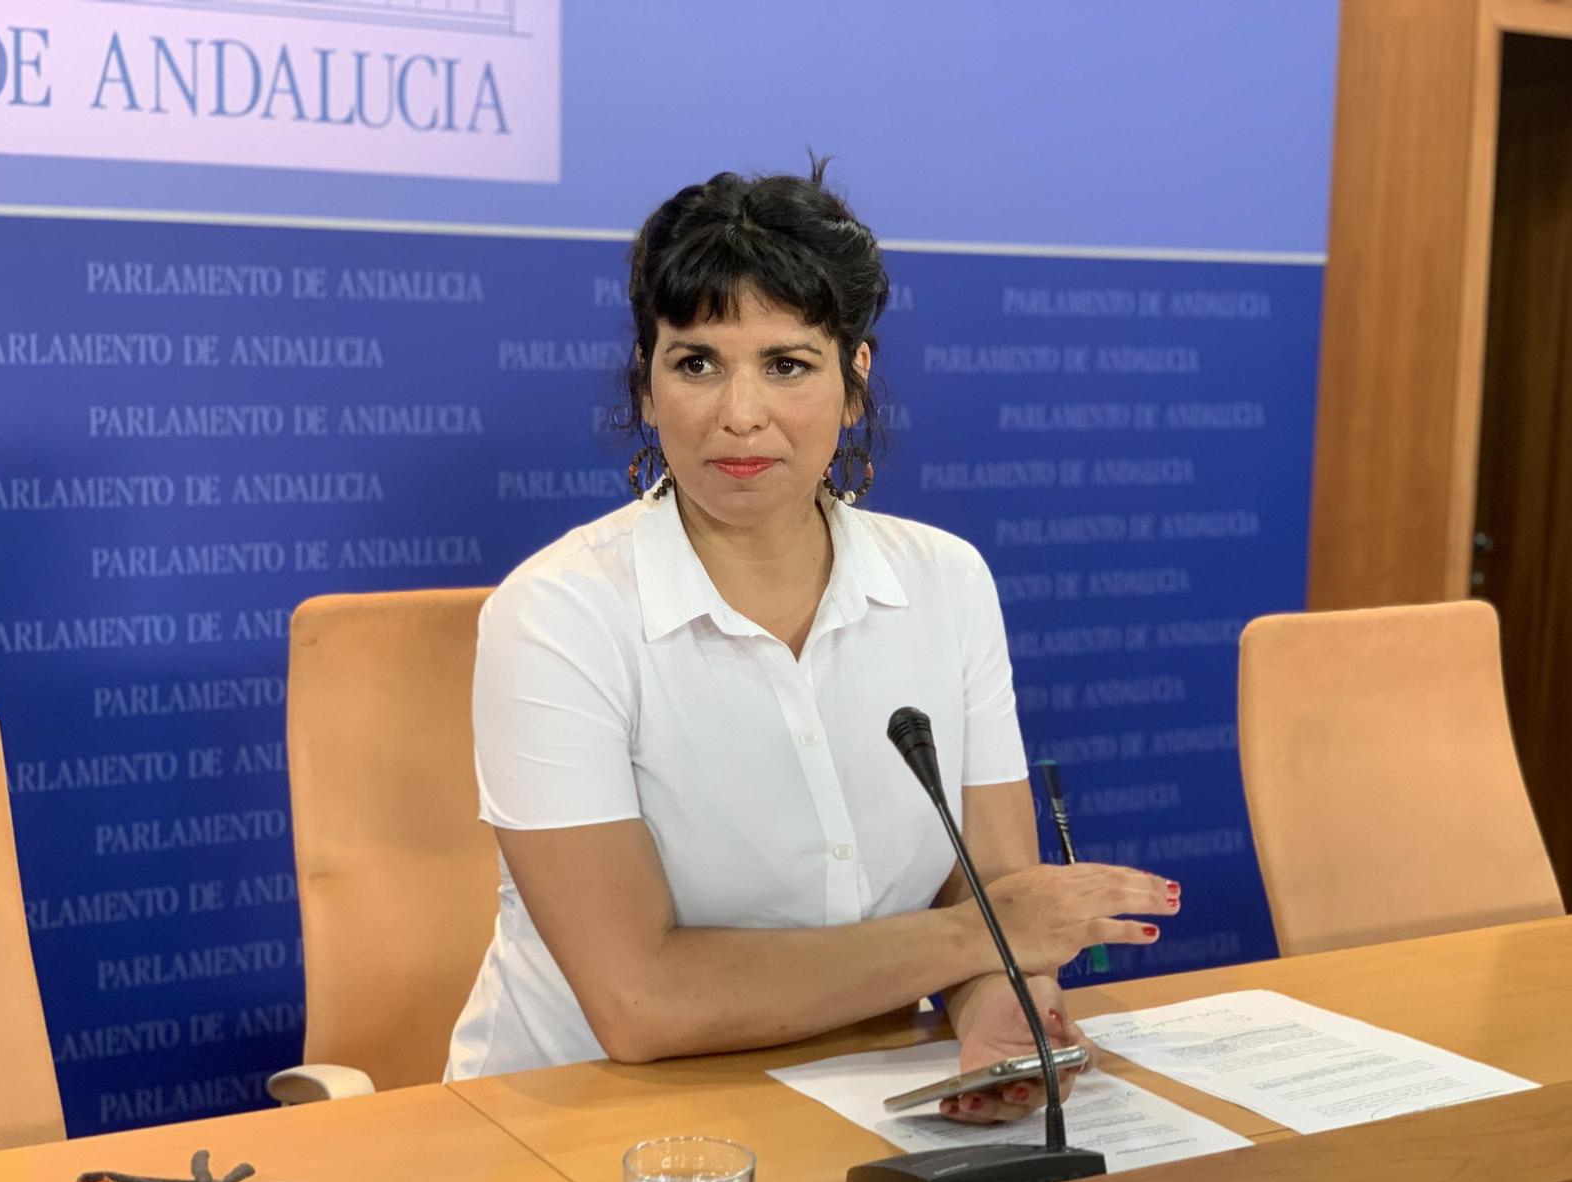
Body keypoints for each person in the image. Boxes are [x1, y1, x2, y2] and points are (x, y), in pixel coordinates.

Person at [444, 162, 1180, 1124]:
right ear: (647, 377)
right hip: (574, 1119)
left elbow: (987, 890)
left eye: (786, 364)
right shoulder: (558, 614)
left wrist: (1003, 1008)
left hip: (862, 1099)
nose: (738, 412)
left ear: (854, 378)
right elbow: (641, 1001)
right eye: (696, 362)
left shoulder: (946, 582)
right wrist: (983, 942)